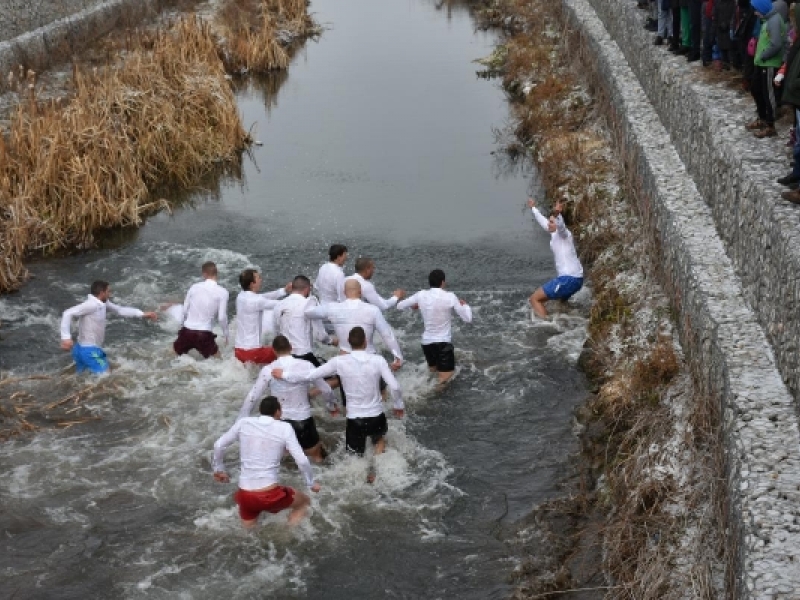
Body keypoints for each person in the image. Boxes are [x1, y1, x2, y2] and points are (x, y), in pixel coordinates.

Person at [273, 327, 403, 469]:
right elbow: (395, 386)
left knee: (355, 459)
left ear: (348, 342)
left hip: (355, 419)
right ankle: (375, 470)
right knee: (379, 440)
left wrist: (285, 375)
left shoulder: (339, 362)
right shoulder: (378, 360)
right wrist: (398, 404)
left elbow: (310, 375)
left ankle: (362, 475)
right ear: (365, 342)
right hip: (376, 415)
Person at [213, 396, 320, 528]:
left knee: (249, 536)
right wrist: (310, 483)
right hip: (269, 494)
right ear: (278, 412)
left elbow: (218, 445)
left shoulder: (243, 423)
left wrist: (219, 469)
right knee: (303, 503)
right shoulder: (284, 427)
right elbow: (302, 460)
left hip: (244, 495)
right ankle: (287, 536)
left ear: (260, 410)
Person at [237, 335, 335, 462]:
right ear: (291, 348)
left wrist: (241, 420)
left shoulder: (269, 370)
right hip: (303, 422)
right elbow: (325, 389)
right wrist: (331, 405)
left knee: (280, 463)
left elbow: (253, 396)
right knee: (317, 457)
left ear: (273, 350)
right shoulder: (307, 366)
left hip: (279, 423)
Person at [60, 280, 157, 374]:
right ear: (102, 292)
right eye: (108, 291)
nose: (110, 294)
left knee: (81, 378)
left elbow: (120, 310)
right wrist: (66, 338)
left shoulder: (102, 303)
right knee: (106, 377)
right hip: (90, 351)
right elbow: (67, 313)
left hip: (81, 349)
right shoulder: (91, 305)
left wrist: (142, 314)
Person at [305, 279, 403, 370]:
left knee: (345, 386)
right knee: (379, 388)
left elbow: (308, 312)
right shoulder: (373, 310)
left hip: (345, 359)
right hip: (368, 357)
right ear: (360, 292)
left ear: (344, 292)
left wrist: (311, 298)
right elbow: (387, 334)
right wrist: (397, 356)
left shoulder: (333, 308)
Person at [397, 269, 472, 384]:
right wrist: (466, 306)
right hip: (443, 343)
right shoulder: (450, 297)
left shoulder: (421, 294)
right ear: (442, 282)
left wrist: (413, 306)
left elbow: (400, 306)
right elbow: (467, 319)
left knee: (432, 374)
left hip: (426, 343)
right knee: (445, 380)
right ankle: (432, 398)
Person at [527, 198, 584, 319]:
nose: (549, 224)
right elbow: (543, 222)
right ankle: (569, 319)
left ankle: (547, 325)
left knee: (534, 299)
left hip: (568, 279)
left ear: (557, 224)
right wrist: (533, 208)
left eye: (552, 222)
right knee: (560, 304)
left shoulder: (564, 235)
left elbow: (561, 226)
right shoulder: (553, 233)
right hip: (576, 279)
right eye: (550, 222)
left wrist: (557, 214)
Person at [273, 275, 337, 367]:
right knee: (334, 377)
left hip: (283, 356)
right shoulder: (308, 304)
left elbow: (277, 333)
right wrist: (332, 341)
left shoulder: (279, 305)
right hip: (303, 356)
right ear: (307, 289)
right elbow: (320, 335)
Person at [746, 0, 787, 138]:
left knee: (768, 94)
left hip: (769, 64)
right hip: (761, 63)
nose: (755, 13)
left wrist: (763, 55)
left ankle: (770, 124)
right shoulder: (767, 19)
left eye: (756, 9)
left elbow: (776, 44)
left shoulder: (774, 21)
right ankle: (762, 117)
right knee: (755, 88)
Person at [173, 262, 229, 358]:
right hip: (203, 334)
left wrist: (183, 326)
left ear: (204, 274)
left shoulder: (194, 287)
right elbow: (221, 318)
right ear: (217, 273)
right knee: (218, 360)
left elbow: (185, 310)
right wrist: (226, 334)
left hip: (187, 331)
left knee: (173, 355)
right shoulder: (223, 292)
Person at [234, 268, 290, 365]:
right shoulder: (256, 301)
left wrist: (284, 291)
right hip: (252, 352)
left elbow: (264, 297)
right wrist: (297, 299)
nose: (261, 279)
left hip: (238, 351)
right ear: (252, 284)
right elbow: (280, 304)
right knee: (287, 351)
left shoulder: (240, 296)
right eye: (258, 278)